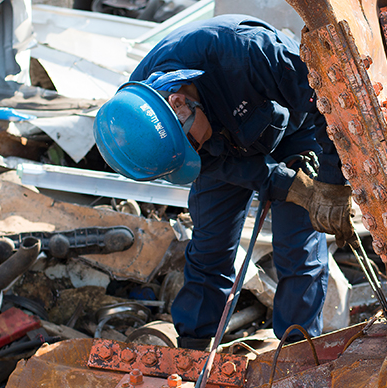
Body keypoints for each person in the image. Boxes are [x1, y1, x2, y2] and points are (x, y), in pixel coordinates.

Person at [94, 15, 353, 350]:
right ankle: (194, 345)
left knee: (296, 248)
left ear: (179, 102)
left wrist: (331, 184)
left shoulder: (247, 51)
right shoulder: (138, 116)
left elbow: (330, 102)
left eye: (192, 146)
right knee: (210, 247)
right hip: (222, 148)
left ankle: (297, 348)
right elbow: (207, 160)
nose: (193, 153)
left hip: (294, 129)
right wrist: (280, 183)